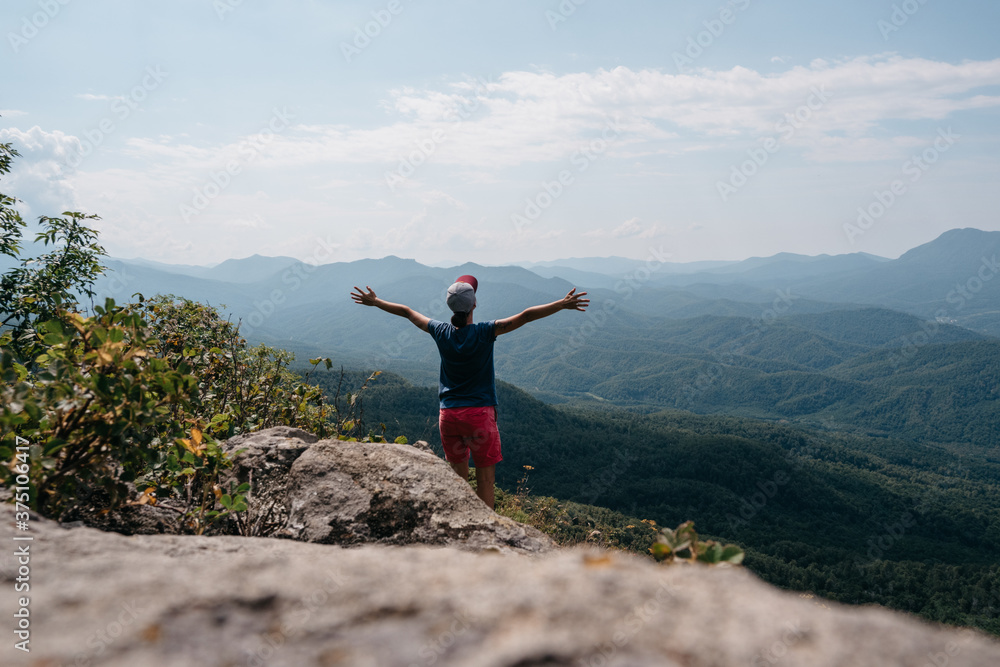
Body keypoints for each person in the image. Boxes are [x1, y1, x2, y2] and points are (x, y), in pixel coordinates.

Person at [350, 275, 589, 509]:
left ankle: (460, 526)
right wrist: (561, 304)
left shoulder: (440, 331)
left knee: (458, 482)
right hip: (480, 417)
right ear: (474, 304)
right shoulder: (486, 332)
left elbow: (407, 311)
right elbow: (525, 316)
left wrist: (376, 301)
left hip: (450, 417)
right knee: (485, 481)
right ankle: (486, 537)